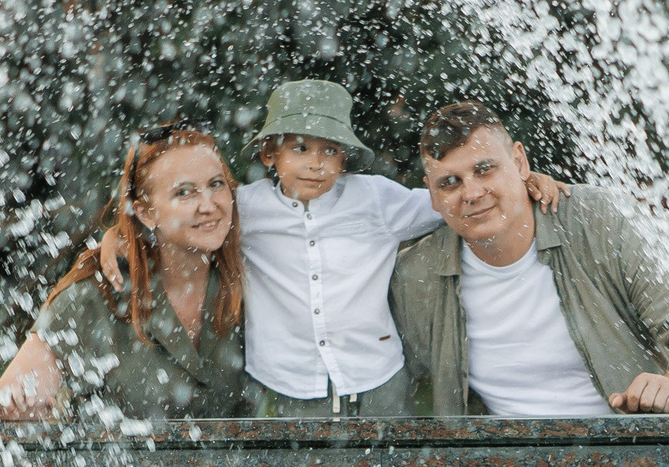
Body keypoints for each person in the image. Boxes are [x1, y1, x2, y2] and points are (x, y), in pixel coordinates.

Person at [236, 79, 559, 416]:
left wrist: (525, 182)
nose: (316, 163)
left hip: (377, 373)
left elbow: (451, 204)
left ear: (344, 158)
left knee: (389, 462)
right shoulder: (245, 210)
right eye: (301, 149)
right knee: (299, 466)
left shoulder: (374, 199)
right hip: (287, 378)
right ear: (269, 153)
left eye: (330, 150)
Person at [388, 100, 669, 417]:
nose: (472, 193)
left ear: (519, 162)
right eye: (449, 183)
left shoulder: (598, 221)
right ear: (432, 193)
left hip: (640, 455)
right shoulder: (416, 276)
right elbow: (372, 363)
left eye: (485, 169)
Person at [0, 122, 251, 423]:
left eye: (216, 184)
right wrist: (24, 419)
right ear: (147, 212)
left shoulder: (253, 277)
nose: (208, 205)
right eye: (184, 193)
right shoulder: (94, 298)